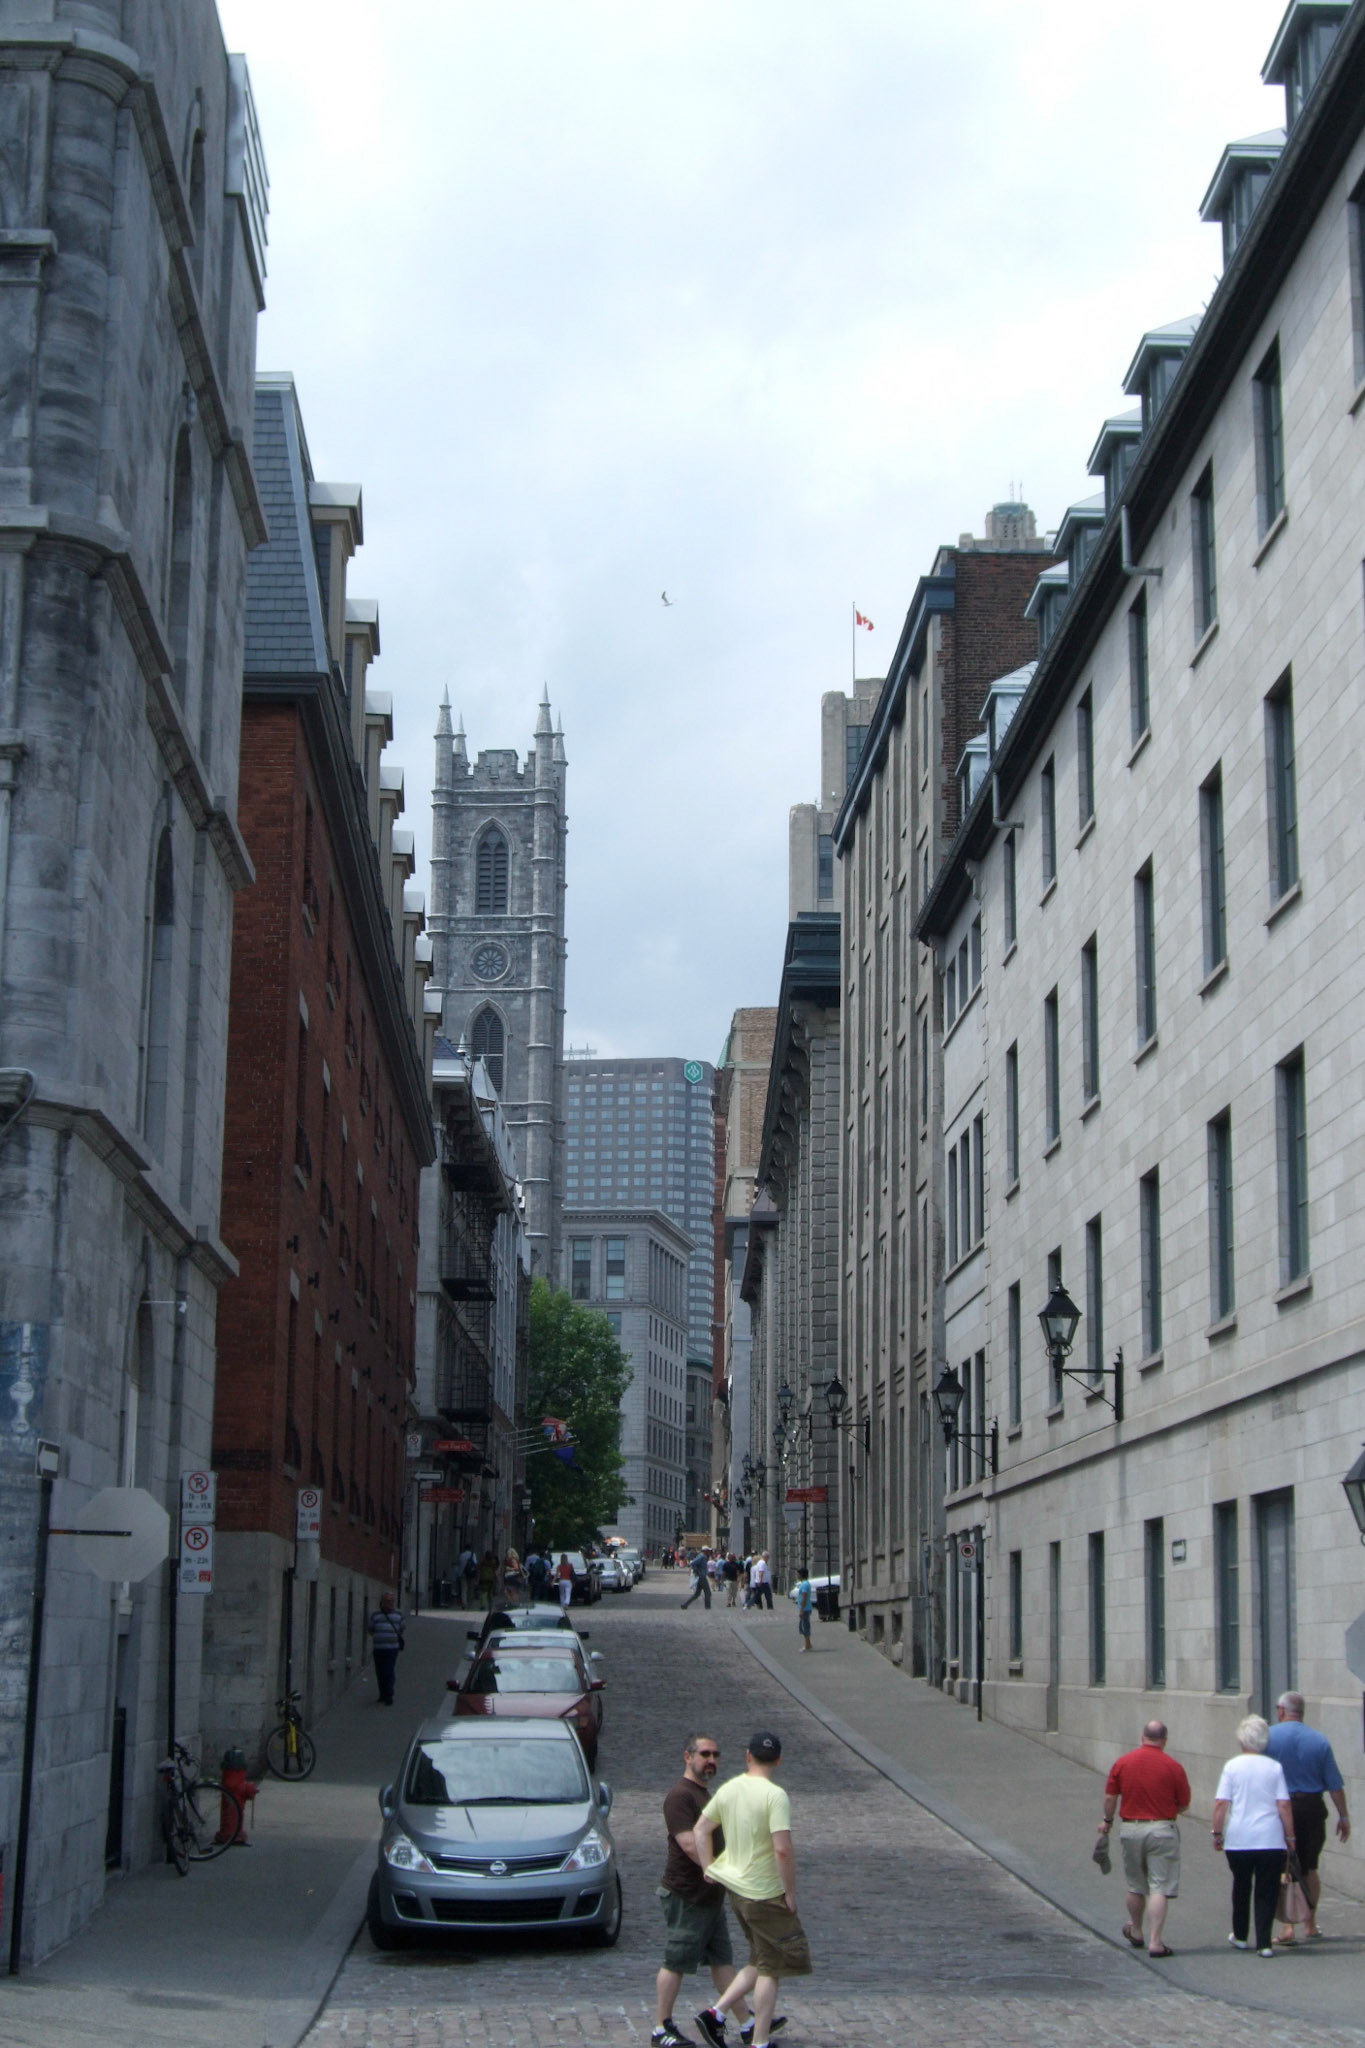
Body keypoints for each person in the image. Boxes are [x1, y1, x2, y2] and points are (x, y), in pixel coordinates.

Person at [693, 1732, 809, 2048]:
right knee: (772, 1967)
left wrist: (708, 1868)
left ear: (748, 1756)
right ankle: (759, 2042)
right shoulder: (775, 1796)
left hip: (737, 1891)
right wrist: (791, 1893)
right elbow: (782, 1850)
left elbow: (701, 1829)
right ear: (778, 1760)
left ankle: (715, 2013)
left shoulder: (730, 1789)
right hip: (765, 1892)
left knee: (759, 1957)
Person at [654, 1735, 771, 2048]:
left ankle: (747, 2023)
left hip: (709, 1897)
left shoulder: (704, 1794)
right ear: (687, 1756)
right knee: (675, 1961)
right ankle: (660, 2028)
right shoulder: (680, 1796)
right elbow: (690, 1844)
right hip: (687, 1896)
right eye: (705, 1754)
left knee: (722, 1961)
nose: (711, 1761)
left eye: (716, 1755)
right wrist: (726, 1873)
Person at [1099, 1719, 1190, 1957]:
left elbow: (1110, 1798)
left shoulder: (1123, 1762)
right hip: (1162, 1828)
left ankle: (1137, 1930)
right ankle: (1156, 1942)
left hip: (1130, 1829)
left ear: (1142, 1738)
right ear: (1164, 1741)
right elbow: (1183, 1804)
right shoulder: (1173, 1766)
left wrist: (1107, 1822)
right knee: (1158, 1886)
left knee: (1135, 1885)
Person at [1265, 1689, 1350, 1942]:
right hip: (1312, 1807)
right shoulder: (1319, 1740)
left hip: (1280, 1808)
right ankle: (1310, 1923)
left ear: (1281, 1711)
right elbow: (1334, 1784)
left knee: (1284, 1864)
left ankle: (1287, 1927)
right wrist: (1343, 1816)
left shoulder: (1268, 1737)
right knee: (1310, 1866)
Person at [1212, 1714, 1295, 1957]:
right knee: (1267, 1889)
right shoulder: (1274, 1767)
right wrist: (1290, 1837)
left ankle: (1239, 1935)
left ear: (1241, 1740)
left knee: (1241, 1884)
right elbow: (1284, 1805)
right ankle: (1265, 1942)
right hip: (1269, 1838)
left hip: (1239, 1838)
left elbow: (1221, 1803)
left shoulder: (1232, 1766)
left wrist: (1217, 1833)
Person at [368, 1590, 405, 1706]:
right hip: (378, 1648)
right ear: (382, 1602)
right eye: (387, 1601)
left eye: (392, 1601)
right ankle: (382, 1694)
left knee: (388, 1671)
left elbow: (402, 1628)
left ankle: (389, 1695)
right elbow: (370, 1629)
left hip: (392, 1648)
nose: (390, 1603)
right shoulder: (375, 1615)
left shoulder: (398, 1615)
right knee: (380, 1672)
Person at [793, 1572, 814, 1653]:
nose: (797, 1575)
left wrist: (801, 1609)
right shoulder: (805, 1583)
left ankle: (807, 1645)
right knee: (803, 1626)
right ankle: (808, 1644)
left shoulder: (804, 1584)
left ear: (801, 1575)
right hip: (806, 1608)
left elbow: (804, 1597)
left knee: (805, 1626)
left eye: (798, 1574)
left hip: (805, 1609)